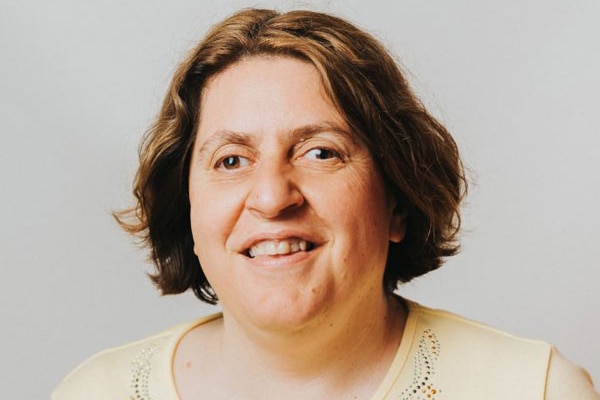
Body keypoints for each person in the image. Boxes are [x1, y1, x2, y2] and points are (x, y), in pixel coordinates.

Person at [52, 8, 599, 400]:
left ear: (398, 203)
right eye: (231, 160)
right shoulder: (93, 393)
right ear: (187, 209)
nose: (271, 196)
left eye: (320, 152)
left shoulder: (538, 389)